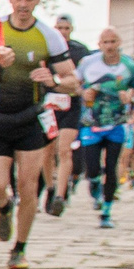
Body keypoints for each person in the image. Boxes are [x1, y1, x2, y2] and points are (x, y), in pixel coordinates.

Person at [0, 0, 78, 269]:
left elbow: (73, 82)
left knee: (28, 185)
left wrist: (55, 79)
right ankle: (4, 208)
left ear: (37, 0)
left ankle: (19, 249)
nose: (23, 4)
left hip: (30, 117)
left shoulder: (48, 35)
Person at [74, 27, 134, 228]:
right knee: (92, 167)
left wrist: (132, 97)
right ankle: (95, 184)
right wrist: (82, 93)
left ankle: (106, 211)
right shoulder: (88, 63)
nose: (110, 46)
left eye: (113, 42)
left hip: (117, 123)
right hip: (91, 123)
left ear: (119, 43)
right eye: (106, 42)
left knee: (111, 167)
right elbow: (74, 84)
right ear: (99, 45)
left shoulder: (129, 66)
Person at [47, 13, 87, 213]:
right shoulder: (47, 47)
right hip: (49, 104)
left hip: (71, 104)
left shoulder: (80, 51)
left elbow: (87, 77)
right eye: (59, 28)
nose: (62, 32)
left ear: (71, 29)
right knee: (48, 151)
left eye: (66, 29)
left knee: (64, 150)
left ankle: (60, 196)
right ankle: (49, 187)